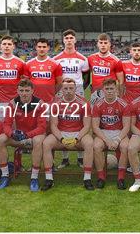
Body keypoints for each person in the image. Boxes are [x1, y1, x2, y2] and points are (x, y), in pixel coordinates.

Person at [41, 78, 94, 191]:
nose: (68, 91)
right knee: (46, 143)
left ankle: (87, 178)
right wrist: (61, 139)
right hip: (61, 133)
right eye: (65, 88)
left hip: (79, 133)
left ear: (75, 89)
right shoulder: (56, 104)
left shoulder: (84, 103)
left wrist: (77, 138)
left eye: (71, 88)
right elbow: (53, 125)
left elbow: (86, 126)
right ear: (62, 90)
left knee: (89, 143)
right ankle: (49, 179)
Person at [0, 78, 46, 191]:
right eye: (21, 90)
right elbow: (6, 125)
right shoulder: (13, 103)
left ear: (33, 91)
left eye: (27, 90)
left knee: (38, 141)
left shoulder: (40, 104)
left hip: (34, 135)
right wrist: (12, 133)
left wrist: (27, 135)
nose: (24, 93)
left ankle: (34, 177)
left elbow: (42, 127)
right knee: (1, 139)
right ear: (17, 91)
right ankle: (5, 175)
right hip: (19, 136)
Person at [53, 29, 90, 169]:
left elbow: (87, 77)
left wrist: (80, 89)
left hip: (78, 91)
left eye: (71, 38)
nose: (69, 40)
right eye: (66, 38)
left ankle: (80, 157)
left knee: (79, 121)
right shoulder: (56, 59)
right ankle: (65, 158)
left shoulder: (82, 59)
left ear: (75, 40)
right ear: (63, 40)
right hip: (62, 92)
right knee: (63, 121)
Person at [92, 78, 130, 190]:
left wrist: (117, 140)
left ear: (116, 90)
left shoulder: (124, 104)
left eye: (112, 88)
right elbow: (95, 127)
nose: (109, 91)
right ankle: (101, 177)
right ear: (103, 90)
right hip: (103, 132)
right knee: (97, 146)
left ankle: (121, 178)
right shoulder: (98, 105)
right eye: (107, 89)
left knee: (125, 146)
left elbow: (127, 126)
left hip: (119, 132)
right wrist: (107, 140)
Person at [0, 35, 25, 120]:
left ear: (13, 46)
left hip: (16, 101)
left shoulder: (21, 63)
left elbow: (23, 83)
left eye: (9, 44)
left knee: (16, 127)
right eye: (4, 44)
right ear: (0, 46)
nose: (6, 46)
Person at [87, 33, 123, 105]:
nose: (103, 45)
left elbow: (121, 81)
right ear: (97, 44)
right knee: (94, 114)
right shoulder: (91, 58)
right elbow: (87, 74)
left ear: (109, 44)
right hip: (95, 94)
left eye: (105, 43)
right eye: (101, 43)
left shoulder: (116, 61)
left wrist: (119, 94)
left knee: (109, 115)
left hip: (110, 93)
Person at [24, 38, 63, 103]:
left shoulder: (56, 64)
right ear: (36, 48)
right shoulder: (28, 64)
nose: (42, 49)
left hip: (49, 101)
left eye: (44, 47)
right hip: (32, 101)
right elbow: (26, 83)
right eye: (39, 47)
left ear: (48, 48)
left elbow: (59, 83)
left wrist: (51, 93)